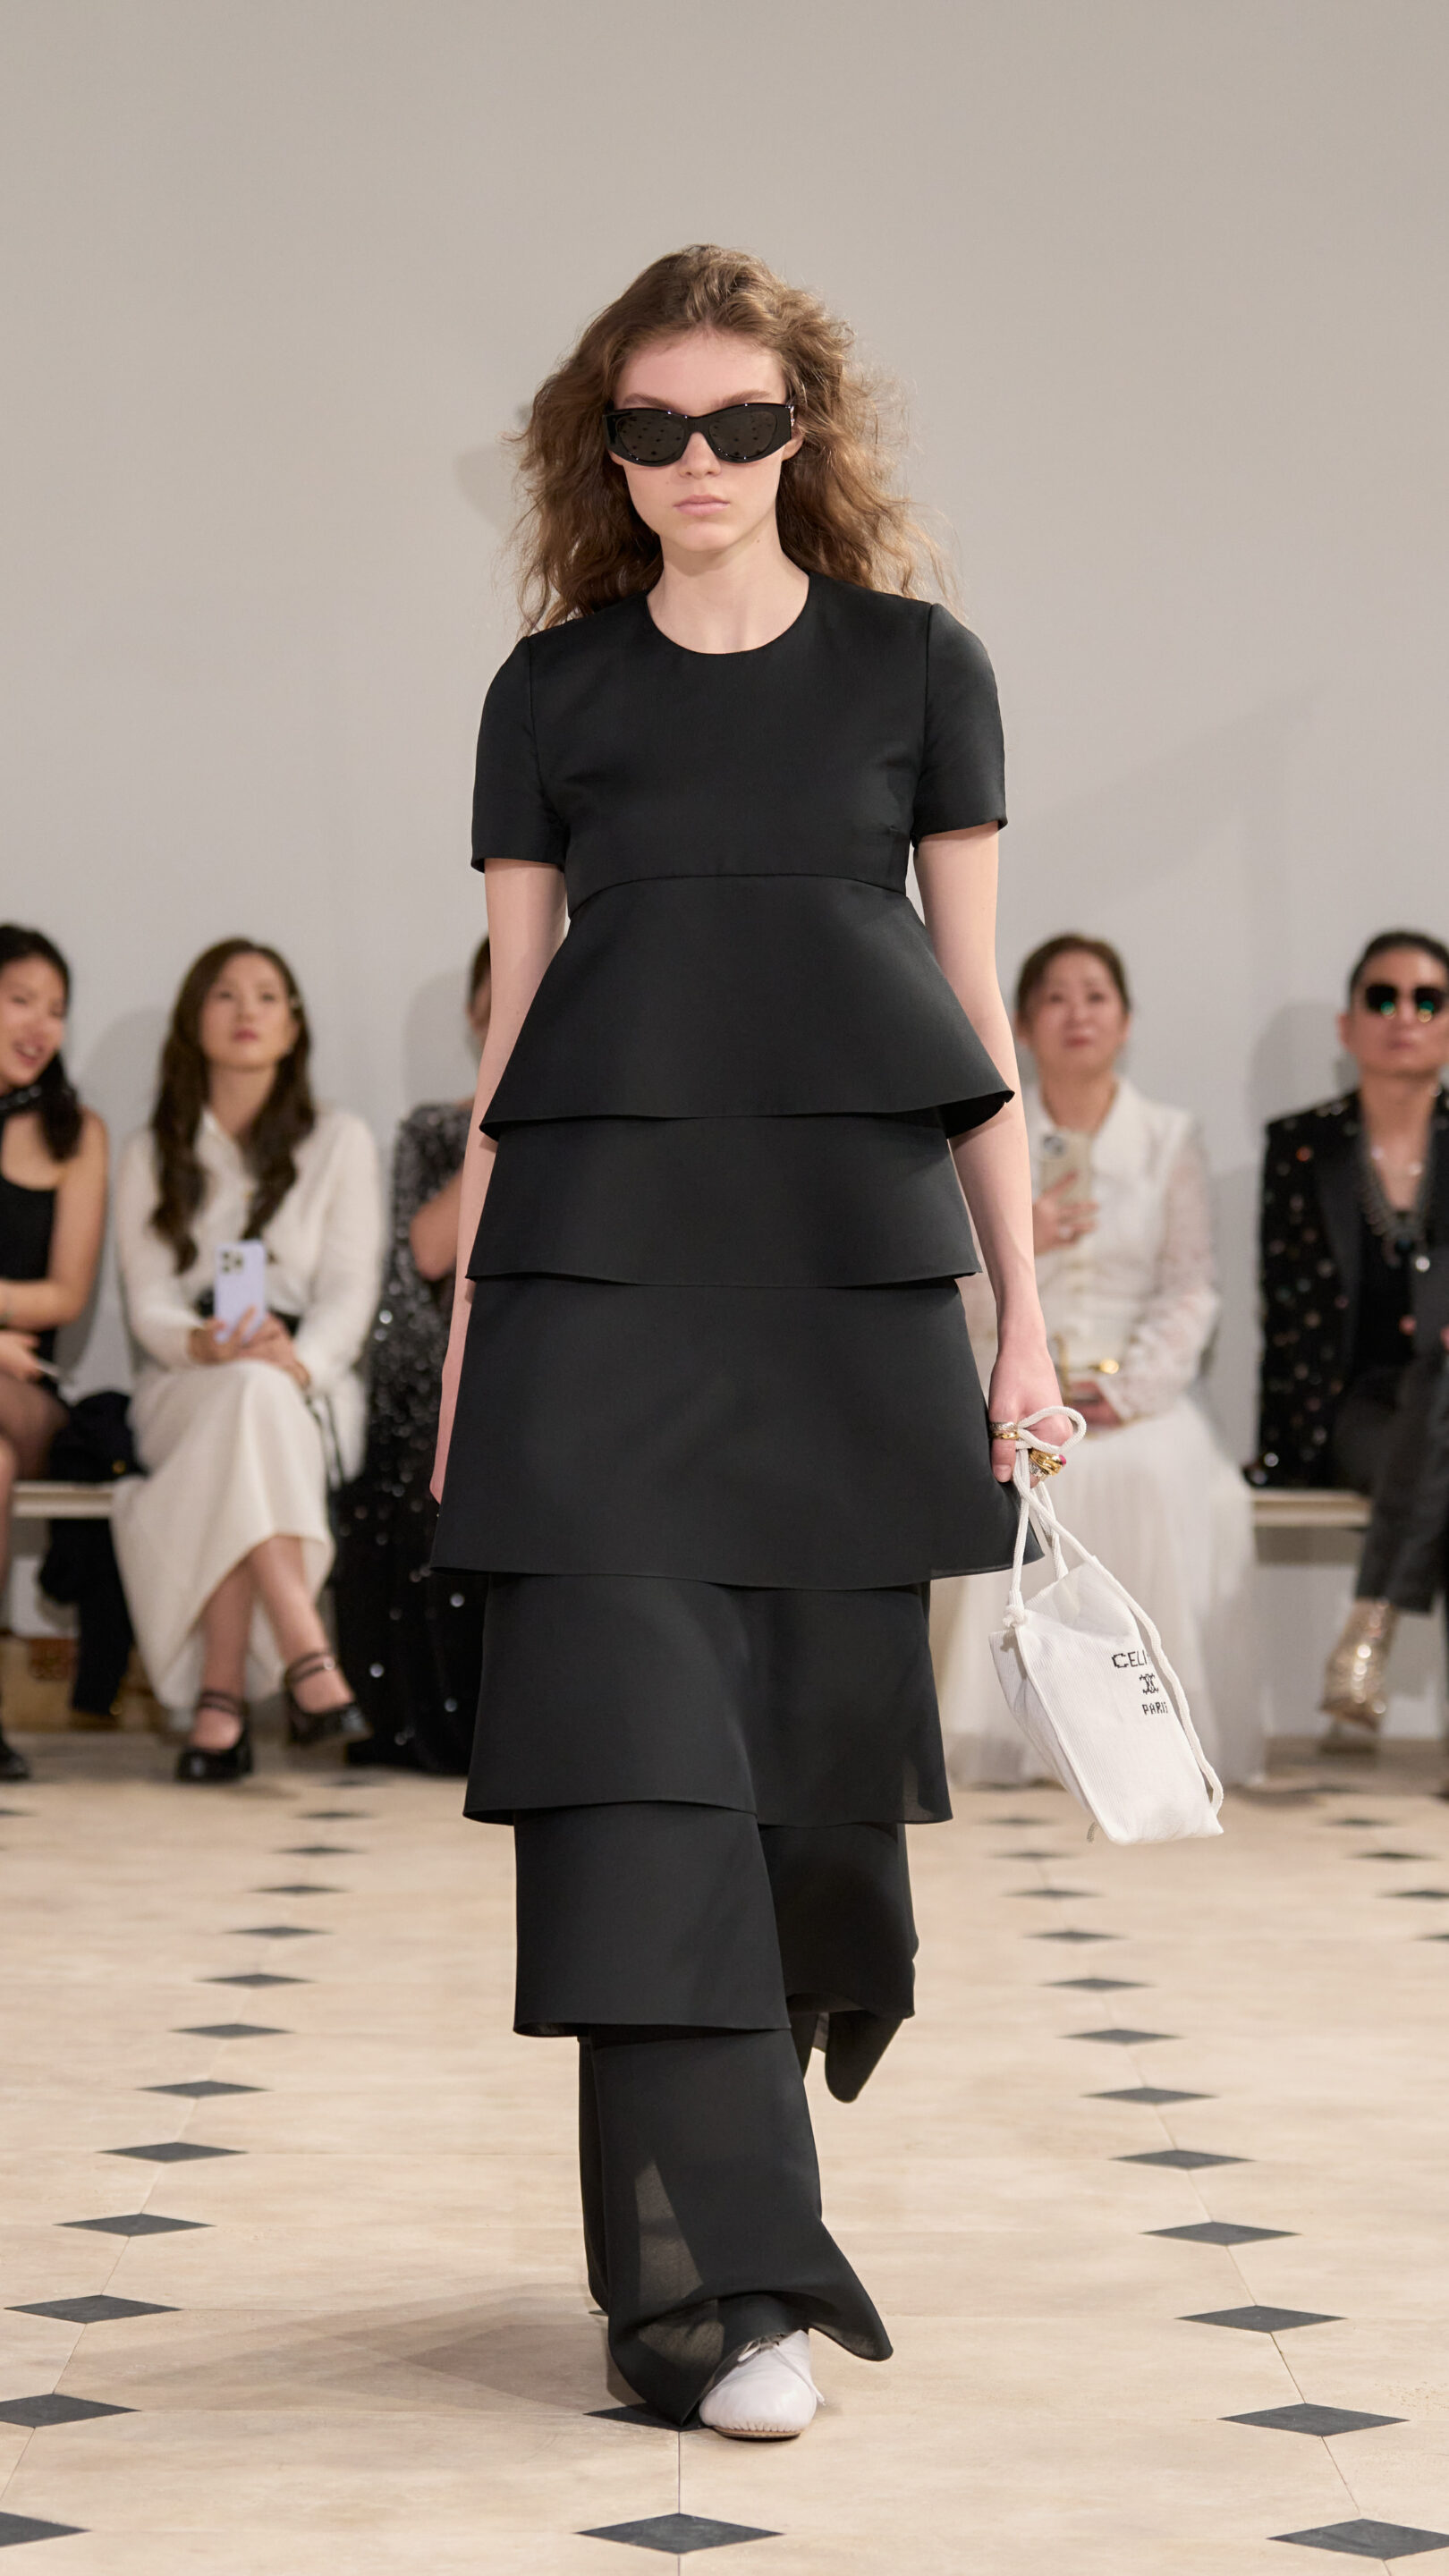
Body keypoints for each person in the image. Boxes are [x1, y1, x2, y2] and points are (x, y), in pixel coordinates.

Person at [430, 244, 1069, 2439]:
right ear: (600, 449)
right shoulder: (551, 694)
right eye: (652, 426)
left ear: (806, 431)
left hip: (845, 1304)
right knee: (639, 1793)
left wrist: (1021, 1321)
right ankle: (715, 2302)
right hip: (596, 1307)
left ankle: (750, 2143)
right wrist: (468, 1338)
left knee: (805, 1809)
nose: (697, 458)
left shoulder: (919, 669)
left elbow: (973, 1023)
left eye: (740, 420)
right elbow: (515, 1033)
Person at [931, 936, 1263, 1787]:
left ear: (1126, 1021)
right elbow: (956, 1296)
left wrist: (1130, 1392)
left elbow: (1191, 1289)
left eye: (1095, 996)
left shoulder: (1167, 1138)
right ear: (1022, 1025)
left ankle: (1151, 1733)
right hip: (1009, 1378)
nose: (1076, 1014)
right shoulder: (980, 1136)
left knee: (1154, 1472)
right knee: (1009, 1475)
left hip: (1135, 1394)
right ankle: (1009, 1732)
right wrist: (1026, 1237)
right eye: (1055, 997)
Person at [113, 940, 384, 1782]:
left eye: (268, 995)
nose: (246, 1011)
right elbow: (148, 1300)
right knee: (238, 1399)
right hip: (186, 1377)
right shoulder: (151, 1151)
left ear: (294, 1026)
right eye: (225, 994)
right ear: (194, 1020)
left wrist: (298, 1361)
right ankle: (307, 1648)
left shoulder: (340, 1140)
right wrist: (200, 1342)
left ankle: (220, 1700)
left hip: (305, 1382)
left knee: (255, 1402)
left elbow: (351, 1291)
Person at [1250, 929, 1449, 1750]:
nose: (1404, 1015)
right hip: (1354, 1408)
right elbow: (1284, 1309)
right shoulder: (1302, 1146)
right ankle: (1372, 1629)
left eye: (1428, 1000)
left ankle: (1368, 1626)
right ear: (1348, 1024)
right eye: (1382, 997)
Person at [332, 937, 491, 1770]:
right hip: (433, 1372)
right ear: (474, 1014)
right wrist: (504, 1115)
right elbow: (426, 1253)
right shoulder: (433, 1129)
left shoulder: (595, 1127)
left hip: (542, 1366)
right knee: (425, 1461)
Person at [0, 927, 108, 1781]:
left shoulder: (77, 1134)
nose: (40, 1024)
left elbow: (65, 1296)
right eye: (19, 1001)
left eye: (57, 1009)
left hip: (28, 1390)